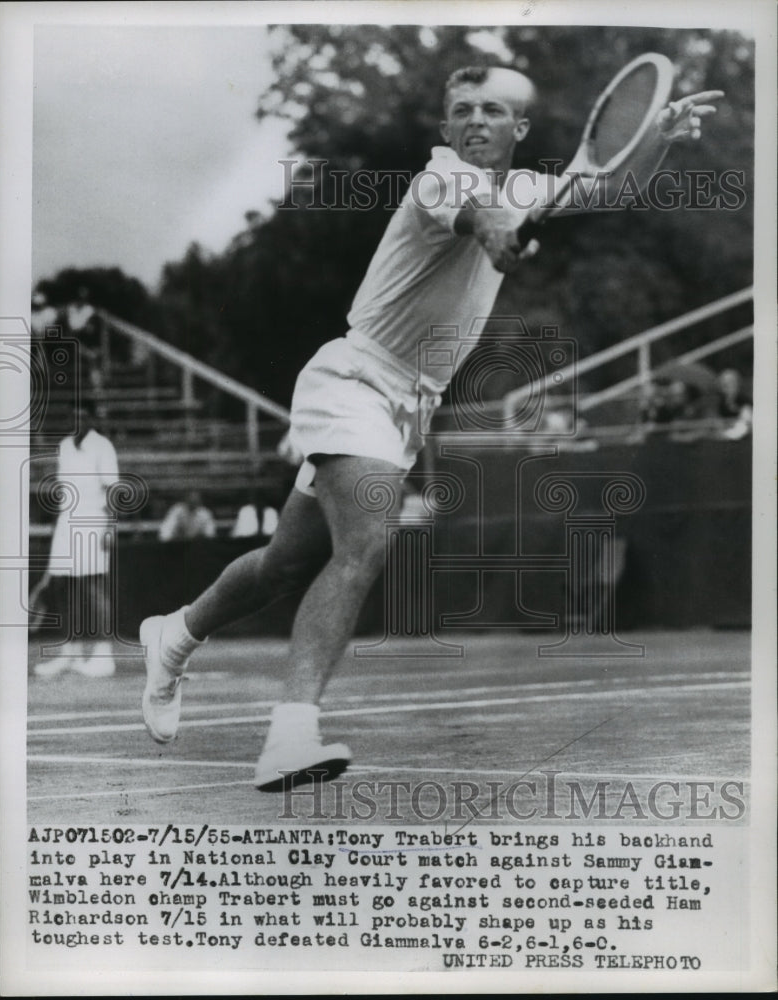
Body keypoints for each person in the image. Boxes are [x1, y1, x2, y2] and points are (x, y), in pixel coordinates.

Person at [139, 65, 721, 790]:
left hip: (408, 406)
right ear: (446, 130)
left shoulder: (524, 188)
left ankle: (177, 634)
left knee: (283, 563)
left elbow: (610, 187)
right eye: (462, 110)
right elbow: (476, 217)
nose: (476, 120)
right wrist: (497, 231)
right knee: (367, 541)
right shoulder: (437, 182)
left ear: (519, 131)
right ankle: (290, 735)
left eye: (493, 110)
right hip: (354, 380)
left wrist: (654, 140)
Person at [34, 400, 119, 678]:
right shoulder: (64, 446)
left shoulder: (103, 446)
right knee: (64, 587)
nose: (78, 420)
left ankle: (104, 656)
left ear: (92, 418)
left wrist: (110, 527)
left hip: (94, 521)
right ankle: (71, 654)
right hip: (66, 523)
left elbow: (111, 491)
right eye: (74, 415)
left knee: (94, 587)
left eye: (84, 415)